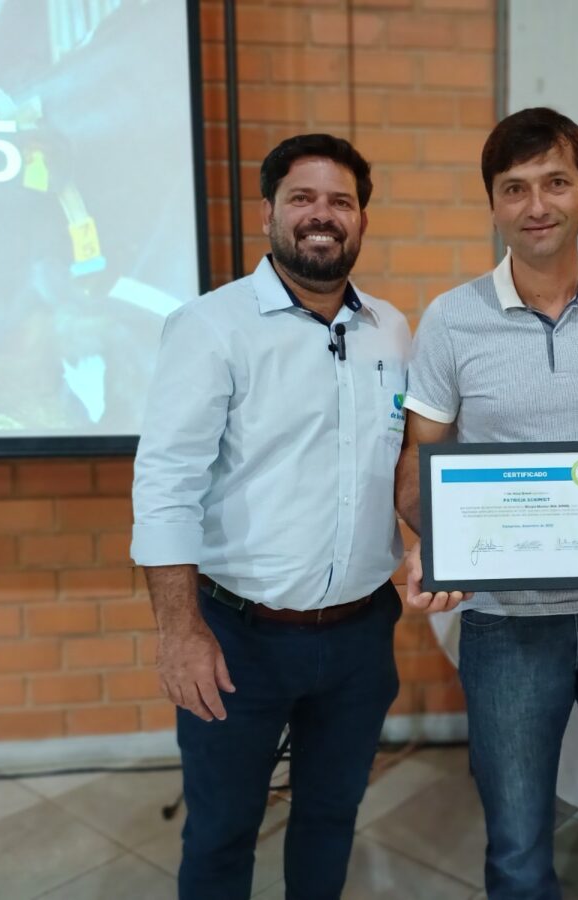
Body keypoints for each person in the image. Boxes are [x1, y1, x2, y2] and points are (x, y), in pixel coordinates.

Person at [394, 107, 578, 899]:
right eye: (514, 188)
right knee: (518, 856)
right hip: (505, 627)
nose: (536, 205)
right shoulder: (452, 319)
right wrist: (429, 544)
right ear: (492, 203)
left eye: (555, 183)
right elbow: (420, 458)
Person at [130, 133, 409, 900]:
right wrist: (179, 632)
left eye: (341, 201)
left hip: (360, 636)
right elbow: (166, 484)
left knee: (331, 818)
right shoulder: (211, 326)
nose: (322, 215)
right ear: (268, 214)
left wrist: (441, 544)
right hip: (238, 640)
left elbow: (402, 469)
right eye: (302, 198)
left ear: (362, 220)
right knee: (222, 833)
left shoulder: (390, 330)